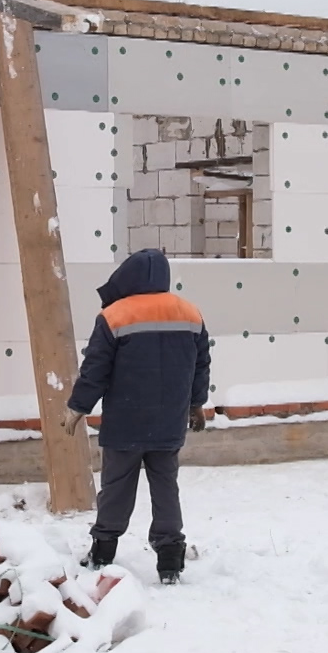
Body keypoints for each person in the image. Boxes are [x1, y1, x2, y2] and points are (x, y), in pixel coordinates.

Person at [62, 249, 212, 585]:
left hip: (125, 421)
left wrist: (78, 406)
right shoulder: (190, 313)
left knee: (116, 486)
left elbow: (95, 368)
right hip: (169, 420)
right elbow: (200, 365)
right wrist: (196, 403)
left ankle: (103, 550)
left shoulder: (115, 316)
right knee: (165, 486)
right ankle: (170, 557)